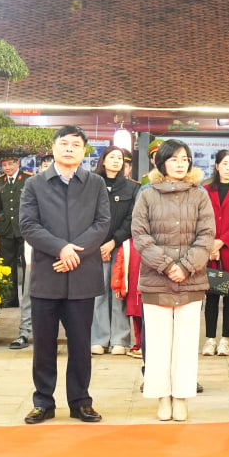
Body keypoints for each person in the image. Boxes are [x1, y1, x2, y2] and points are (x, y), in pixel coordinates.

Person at [19, 125, 110, 424]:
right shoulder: (35, 185)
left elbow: (102, 224)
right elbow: (29, 226)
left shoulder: (95, 183)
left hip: (82, 275)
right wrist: (61, 249)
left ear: (84, 150)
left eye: (75, 144)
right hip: (48, 275)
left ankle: (81, 401)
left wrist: (75, 253)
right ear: (54, 147)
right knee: (43, 345)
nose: (69, 148)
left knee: (81, 345)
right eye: (64, 143)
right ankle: (43, 401)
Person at [132, 139, 215, 421]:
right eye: (175, 158)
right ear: (162, 162)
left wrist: (187, 266)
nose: (181, 163)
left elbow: (206, 235)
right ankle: (162, 397)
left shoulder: (200, 194)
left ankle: (180, 397)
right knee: (157, 343)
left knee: (186, 342)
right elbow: (140, 237)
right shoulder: (147, 194)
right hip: (156, 280)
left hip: (191, 281)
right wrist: (168, 266)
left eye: (185, 159)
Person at [90, 146, 140, 356]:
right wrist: (100, 242)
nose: (116, 161)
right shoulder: (91, 185)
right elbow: (87, 216)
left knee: (119, 290)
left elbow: (132, 219)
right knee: (98, 293)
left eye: (120, 158)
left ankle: (120, 338)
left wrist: (113, 242)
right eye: (112, 157)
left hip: (121, 247)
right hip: (95, 247)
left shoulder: (131, 188)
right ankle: (99, 339)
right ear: (103, 160)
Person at [202, 150, 229, 357]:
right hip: (208, 250)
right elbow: (200, 218)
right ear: (217, 166)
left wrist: (222, 242)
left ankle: (225, 340)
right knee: (211, 295)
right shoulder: (205, 190)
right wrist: (211, 244)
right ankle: (210, 339)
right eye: (225, 163)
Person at [0, 155, 32, 308]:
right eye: (4, 165)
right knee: (7, 265)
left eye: (10, 164)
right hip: (6, 230)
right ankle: (10, 299)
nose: (7, 168)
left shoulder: (28, 179)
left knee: (26, 264)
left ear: (18, 163)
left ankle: (27, 299)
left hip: (24, 229)